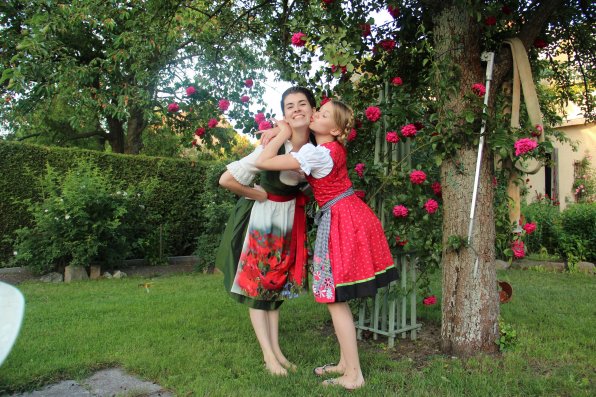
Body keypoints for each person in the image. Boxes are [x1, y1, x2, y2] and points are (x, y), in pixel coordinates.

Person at [255, 98, 398, 390]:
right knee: (337, 297)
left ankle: (353, 375)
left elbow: (263, 162)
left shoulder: (320, 154)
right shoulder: (320, 151)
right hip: (346, 216)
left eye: (322, 114)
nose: (315, 115)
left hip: (344, 221)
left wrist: (281, 132)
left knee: (335, 298)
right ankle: (346, 363)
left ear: (333, 129)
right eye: (317, 111)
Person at [215, 87, 316, 376]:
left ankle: (278, 353)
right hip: (262, 221)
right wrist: (256, 194)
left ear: (312, 110)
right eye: (289, 106)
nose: (296, 109)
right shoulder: (271, 143)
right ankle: (268, 357)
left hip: (288, 220)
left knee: (275, 286)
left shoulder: (315, 147)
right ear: (284, 114)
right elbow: (226, 180)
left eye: (302, 104)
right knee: (259, 287)